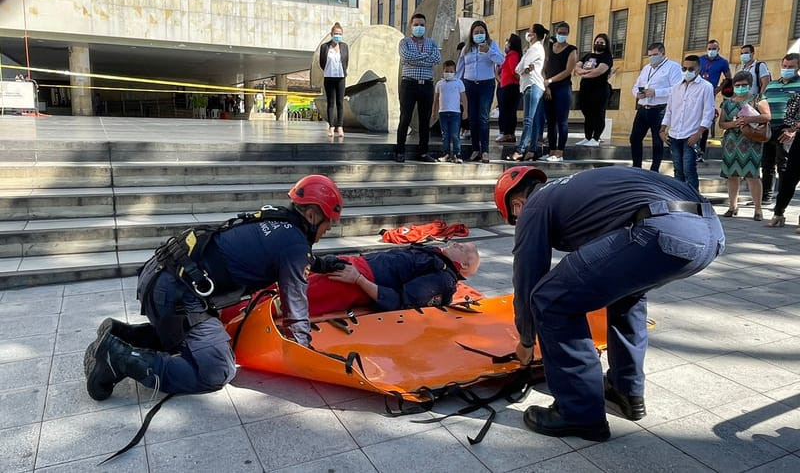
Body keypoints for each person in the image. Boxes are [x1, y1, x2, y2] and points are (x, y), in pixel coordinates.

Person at [493, 165, 724, 441]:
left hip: (662, 228)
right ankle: (625, 391)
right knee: (627, 295)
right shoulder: (575, 188)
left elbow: (528, 277)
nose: (519, 222)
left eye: (514, 219)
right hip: (710, 231)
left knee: (550, 300)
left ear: (517, 204)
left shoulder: (535, 206)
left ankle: (579, 413)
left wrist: (526, 339)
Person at [84, 175, 344, 400]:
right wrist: (305, 355)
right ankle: (117, 359)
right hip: (175, 294)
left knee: (196, 339)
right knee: (218, 369)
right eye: (329, 222)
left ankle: (122, 335)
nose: (329, 228)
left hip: (161, 274)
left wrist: (322, 264)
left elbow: (280, 254)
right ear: (312, 215)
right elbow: (296, 307)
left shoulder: (278, 221)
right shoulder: (295, 245)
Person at [307, 242, 480, 315]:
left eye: (462, 248)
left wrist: (358, 279)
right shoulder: (436, 256)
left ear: (463, 265)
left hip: (356, 280)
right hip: (356, 266)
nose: (457, 243)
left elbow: (399, 301)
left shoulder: (442, 279)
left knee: (295, 296)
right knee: (299, 274)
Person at [718, 71, 771, 221]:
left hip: (751, 141)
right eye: (738, 85)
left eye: (744, 85)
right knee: (731, 175)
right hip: (731, 142)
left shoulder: (758, 98)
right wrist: (734, 123)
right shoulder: (727, 102)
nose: (741, 87)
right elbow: (721, 124)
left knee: (752, 175)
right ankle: (732, 206)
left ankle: (758, 209)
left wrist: (748, 119)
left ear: (750, 85)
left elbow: (767, 116)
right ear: (733, 85)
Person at [660, 55, 716, 191]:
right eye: (684, 68)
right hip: (674, 135)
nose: (687, 71)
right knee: (678, 170)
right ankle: (679, 198)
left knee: (689, 170)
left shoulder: (706, 87)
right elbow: (670, 110)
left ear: (698, 69)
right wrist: (662, 130)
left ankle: (694, 201)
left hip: (691, 136)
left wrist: (699, 133)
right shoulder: (675, 88)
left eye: (691, 69)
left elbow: (708, 112)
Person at [396, 13, 441, 163]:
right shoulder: (404, 42)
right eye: (416, 25)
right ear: (411, 26)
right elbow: (406, 57)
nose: (419, 27)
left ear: (425, 26)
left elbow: (436, 58)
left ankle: (423, 152)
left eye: (422, 25)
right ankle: (400, 151)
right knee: (405, 117)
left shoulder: (432, 43)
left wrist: (416, 59)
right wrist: (425, 57)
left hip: (427, 84)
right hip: (409, 84)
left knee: (424, 120)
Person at [629, 42, 683, 171]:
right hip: (643, 108)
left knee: (657, 141)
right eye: (650, 55)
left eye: (655, 55)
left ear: (663, 53)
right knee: (635, 138)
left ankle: (654, 169)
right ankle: (637, 167)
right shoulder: (646, 68)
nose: (652, 57)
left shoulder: (673, 67)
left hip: (659, 109)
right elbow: (636, 85)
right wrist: (637, 93)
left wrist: (657, 92)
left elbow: (677, 89)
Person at [457, 20, 505, 163]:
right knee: (472, 118)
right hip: (469, 85)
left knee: (483, 117)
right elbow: (460, 68)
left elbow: (501, 60)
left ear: (485, 33)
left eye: (481, 32)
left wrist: (488, 51)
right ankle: (475, 149)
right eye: (476, 32)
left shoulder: (492, 45)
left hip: (486, 85)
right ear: (472, 34)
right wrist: (457, 87)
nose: (479, 35)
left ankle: (485, 150)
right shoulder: (466, 48)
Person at [765, 54, 800, 228]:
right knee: (789, 178)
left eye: (790, 66)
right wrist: (795, 127)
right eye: (784, 66)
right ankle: (779, 212)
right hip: (795, 137)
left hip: (793, 134)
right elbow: (790, 115)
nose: (786, 69)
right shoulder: (796, 95)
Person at [507, 23, 548, 162]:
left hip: (532, 85)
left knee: (528, 119)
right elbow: (519, 68)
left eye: (529, 31)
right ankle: (532, 150)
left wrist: (524, 68)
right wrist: (523, 68)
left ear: (534, 34)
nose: (527, 34)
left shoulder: (535, 49)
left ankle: (521, 149)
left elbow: (521, 67)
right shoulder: (532, 49)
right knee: (534, 119)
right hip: (531, 85)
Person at [542, 22, 578, 162]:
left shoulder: (571, 50)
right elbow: (543, 67)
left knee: (562, 121)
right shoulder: (549, 48)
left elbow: (568, 71)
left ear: (568, 33)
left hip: (562, 88)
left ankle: (559, 152)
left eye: (564, 33)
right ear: (556, 32)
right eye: (559, 32)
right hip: (548, 88)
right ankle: (551, 150)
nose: (561, 35)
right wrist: (546, 85)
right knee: (550, 121)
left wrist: (550, 81)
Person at [696, 39, 732, 160]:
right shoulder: (700, 60)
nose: (711, 51)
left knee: (705, 121)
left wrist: (719, 88)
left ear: (718, 49)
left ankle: (701, 151)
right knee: (694, 120)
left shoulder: (723, 62)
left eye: (714, 49)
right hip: (696, 94)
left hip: (710, 94)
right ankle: (693, 148)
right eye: (709, 48)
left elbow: (728, 77)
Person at [575, 34, 613, 147]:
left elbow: (599, 71)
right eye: (597, 42)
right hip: (586, 89)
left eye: (602, 43)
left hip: (600, 89)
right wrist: (582, 71)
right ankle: (587, 137)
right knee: (588, 114)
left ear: (606, 45)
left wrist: (584, 74)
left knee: (598, 114)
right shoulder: (587, 56)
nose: (599, 44)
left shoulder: (607, 57)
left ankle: (596, 138)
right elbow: (577, 66)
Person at [432, 60, 468, 163]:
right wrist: (434, 112)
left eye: (451, 71)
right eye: (447, 71)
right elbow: (436, 99)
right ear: (443, 71)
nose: (449, 73)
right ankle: (446, 153)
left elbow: (464, 97)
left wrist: (465, 111)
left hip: (455, 113)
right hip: (443, 112)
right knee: (445, 134)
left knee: (455, 134)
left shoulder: (458, 83)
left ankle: (457, 154)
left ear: (455, 71)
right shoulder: (439, 84)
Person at [319, 22, 349, 138]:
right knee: (331, 103)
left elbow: (346, 61)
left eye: (340, 34)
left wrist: (343, 71)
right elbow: (322, 62)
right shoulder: (325, 47)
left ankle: (340, 126)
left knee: (340, 102)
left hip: (341, 77)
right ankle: (331, 126)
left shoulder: (344, 46)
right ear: (331, 34)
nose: (337, 36)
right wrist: (328, 70)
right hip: (329, 77)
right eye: (335, 33)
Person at [495, 34, 523, 144]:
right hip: (507, 85)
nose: (506, 44)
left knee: (508, 111)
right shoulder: (511, 55)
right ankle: (509, 133)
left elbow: (514, 71)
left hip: (510, 86)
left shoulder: (513, 55)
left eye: (508, 42)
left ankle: (508, 133)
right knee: (508, 111)